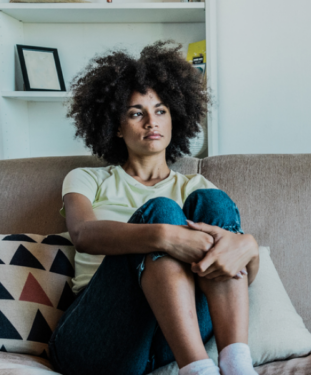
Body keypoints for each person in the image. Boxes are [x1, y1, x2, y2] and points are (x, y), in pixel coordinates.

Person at [48, 40, 260, 375]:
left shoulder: (196, 188)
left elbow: (241, 272)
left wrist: (247, 246)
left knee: (213, 203)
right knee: (161, 210)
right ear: (116, 127)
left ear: (175, 117)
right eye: (136, 113)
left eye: (161, 110)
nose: (152, 122)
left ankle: (237, 366)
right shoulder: (88, 178)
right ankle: (198, 371)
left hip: (170, 339)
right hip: (101, 335)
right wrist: (164, 235)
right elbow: (83, 234)